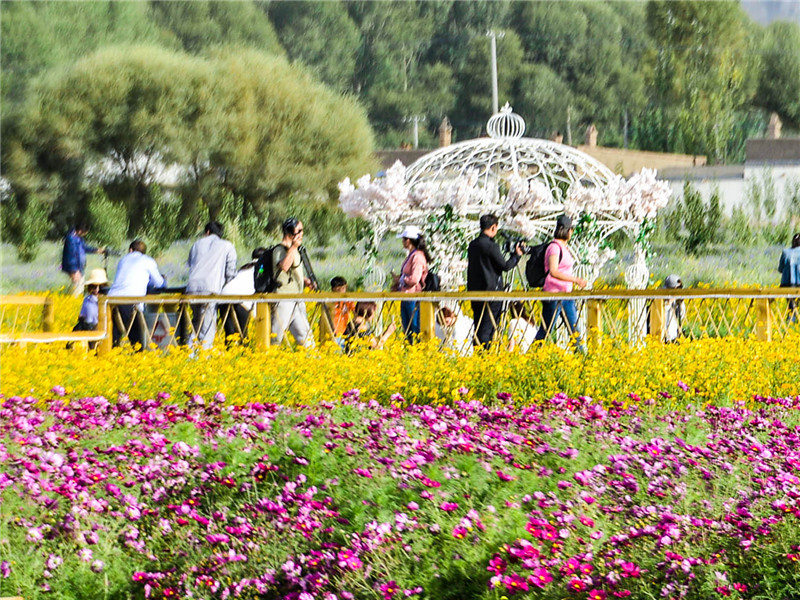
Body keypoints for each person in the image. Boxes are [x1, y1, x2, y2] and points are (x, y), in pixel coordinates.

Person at [466, 214, 524, 349]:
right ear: (493, 227)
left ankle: (478, 354)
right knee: (488, 328)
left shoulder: (473, 245)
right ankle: (484, 357)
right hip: (492, 293)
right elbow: (505, 266)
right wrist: (516, 256)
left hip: (475, 293)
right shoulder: (491, 246)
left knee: (478, 325)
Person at [534, 215, 587, 352]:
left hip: (566, 295)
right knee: (546, 330)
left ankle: (582, 359)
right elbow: (553, 271)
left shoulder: (564, 248)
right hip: (554, 295)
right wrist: (576, 280)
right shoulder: (554, 248)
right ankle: (533, 355)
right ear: (568, 231)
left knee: (574, 330)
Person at [185, 221, 238, 349]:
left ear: (207, 232)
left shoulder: (196, 244)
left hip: (192, 289)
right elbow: (230, 271)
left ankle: (190, 353)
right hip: (211, 289)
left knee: (195, 322)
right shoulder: (227, 246)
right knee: (207, 327)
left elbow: (190, 263)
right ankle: (204, 355)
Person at [107, 240, 166, 350]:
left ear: (130, 250)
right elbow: (160, 284)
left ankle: (109, 353)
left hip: (112, 299)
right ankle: (139, 356)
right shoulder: (148, 261)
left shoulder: (123, 260)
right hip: (132, 301)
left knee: (114, 332)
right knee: (136, 337)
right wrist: (163, 280)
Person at [272, 217, 315, 347]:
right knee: (275, 338)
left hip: (296, 300)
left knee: (307, 339)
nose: (302, 234)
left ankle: (314, 363)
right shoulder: (279, 250)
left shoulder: (294, 250)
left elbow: (292, 271)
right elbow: (284, 266)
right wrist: (293, 247)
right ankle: (266, 361)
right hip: (283, 300)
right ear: (291, 233)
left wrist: (305, 280)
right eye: (299, 231)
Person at [217, 248, 266, 344]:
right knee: (243, 335)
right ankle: (244, 356)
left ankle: (229, 355)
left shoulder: (244, 267)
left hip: (224, 298)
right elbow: (259, 284)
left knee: (229, 335)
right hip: (241, 300)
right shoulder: (261, 267)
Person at [392, 225, 430, 343]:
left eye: (403, 239)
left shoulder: (417, 257)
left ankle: (417, 350)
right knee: (407, 328)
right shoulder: (412, 255)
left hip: (413, 296)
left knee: (414, 328)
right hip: (407, 296)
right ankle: (411, 350)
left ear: (408, 240)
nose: (402, 242)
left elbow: (414, 279)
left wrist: (401, 280)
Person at [69, 268, 109, 350]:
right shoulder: (87, 300)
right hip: (89, 329)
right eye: (94, 287)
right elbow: (82, 317)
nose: (97, 290)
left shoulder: (108, 301)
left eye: (100, 287)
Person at [61, 223, 104, 296]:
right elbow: (70, 256)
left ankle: (74, 302)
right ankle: (72, 303)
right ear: (80, 231)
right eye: (84, 233)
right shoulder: (71, 239)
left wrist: (96, 250)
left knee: (80, 287)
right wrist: (74, 270)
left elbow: (84, 248)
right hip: (74, 268)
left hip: (79, 267)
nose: (84, 235)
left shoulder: (78, 238)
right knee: (77, 287)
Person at [778, 232, 800, 321]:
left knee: (791, 306)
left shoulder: (785, 252)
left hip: (786, 284)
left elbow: (780, 269)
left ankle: (790, 322)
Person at [331, 276, 355, 347]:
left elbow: (355, 311)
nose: (341, 291)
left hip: (343, 332)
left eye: (343, 288)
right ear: (333, 289)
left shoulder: (348, 300)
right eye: (338, 289)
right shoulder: (330, 301)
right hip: (332, 331)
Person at [663, 274, 685, 342]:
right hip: (663, 336)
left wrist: (681, 304)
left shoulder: (678, 302)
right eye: (677, 288)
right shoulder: (660, 301)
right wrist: (669, 302)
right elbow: (663, 316)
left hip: (674, 336)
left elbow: (682, 316)